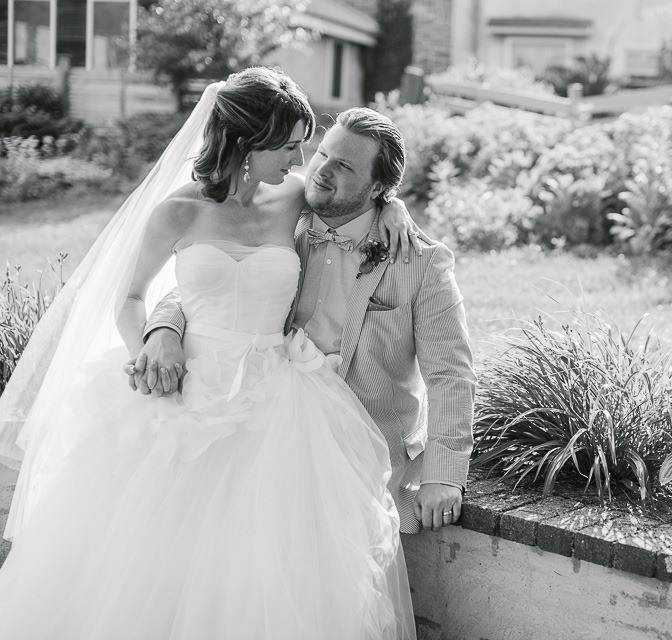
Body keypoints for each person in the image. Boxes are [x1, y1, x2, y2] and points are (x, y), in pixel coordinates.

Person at [0, 68, 418, 639]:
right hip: (183, 391)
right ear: (248, 143)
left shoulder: (295, 197)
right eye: (290, 145)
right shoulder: (178, 211)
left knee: (263, 554)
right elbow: (128, 295)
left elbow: (359, 197)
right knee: (150, 545)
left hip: (275, 396)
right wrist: (150, 342)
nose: (303, 161)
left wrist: (392, 207)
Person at [138, 106, 477, 535]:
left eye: (344, 166)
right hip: (259, 422)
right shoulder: (283, 218)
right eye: (322, 155)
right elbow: (211, 285)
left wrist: (444, 474)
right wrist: (163, 328)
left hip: (357, 446)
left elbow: (451, 373)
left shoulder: (421, 263)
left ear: (378, 189)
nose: (320, 171)